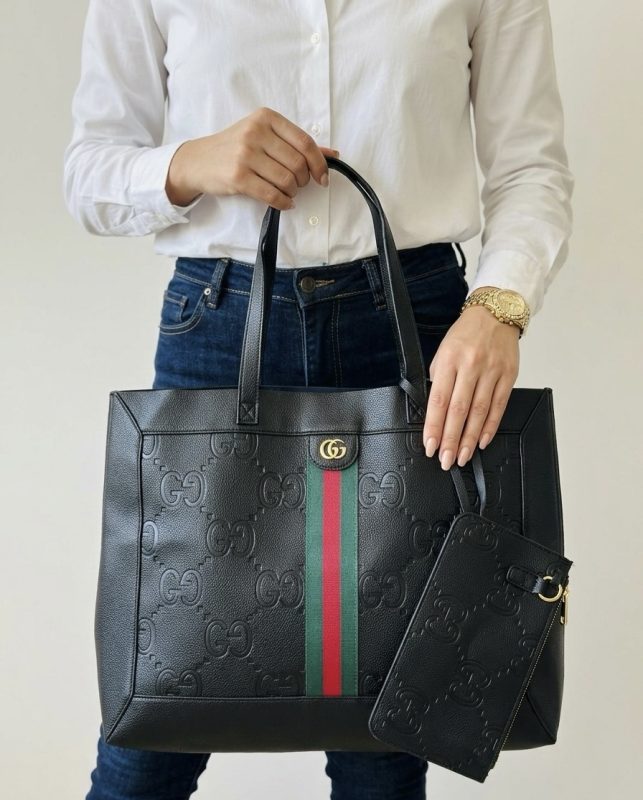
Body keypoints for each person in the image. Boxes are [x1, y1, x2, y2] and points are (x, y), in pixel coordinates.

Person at [63, 2, 574, 798]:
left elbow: (530, 166)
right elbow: (88, 173)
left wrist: (497, 308)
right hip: (220, 321)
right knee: (154, 721)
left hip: (418, 326)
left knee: (387, 723)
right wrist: (193, 162)